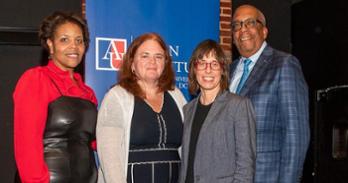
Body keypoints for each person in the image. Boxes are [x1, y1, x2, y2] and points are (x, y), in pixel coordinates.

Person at [13, 11, 98, 183]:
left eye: (79, 40)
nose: (74, 47)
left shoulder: (87, 92)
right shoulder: (36, 79)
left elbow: (94, 143)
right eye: (64, 40)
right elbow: (27, 143)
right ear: (50, 45)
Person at [229, 4, 310, 183]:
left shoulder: (284, 65)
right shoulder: (229, 71)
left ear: (264, 31)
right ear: (233, 36)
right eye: (237, 25)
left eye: (250, 23)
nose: (243, 29)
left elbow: (296, 135)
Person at [96, 32, 186, 183]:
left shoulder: (177, 96)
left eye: (158, 56)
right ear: (132, 63)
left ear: (165, 63)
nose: (152, 61)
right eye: (145, 56)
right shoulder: (116, 97)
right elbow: (110, 158)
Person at [178, 39, 256, 183]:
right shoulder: (188, 109)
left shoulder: (238, 106)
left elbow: (245, 167)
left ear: (222, 70)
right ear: (194, 70)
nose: (208, 69)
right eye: (202, 63)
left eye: (214, 64)